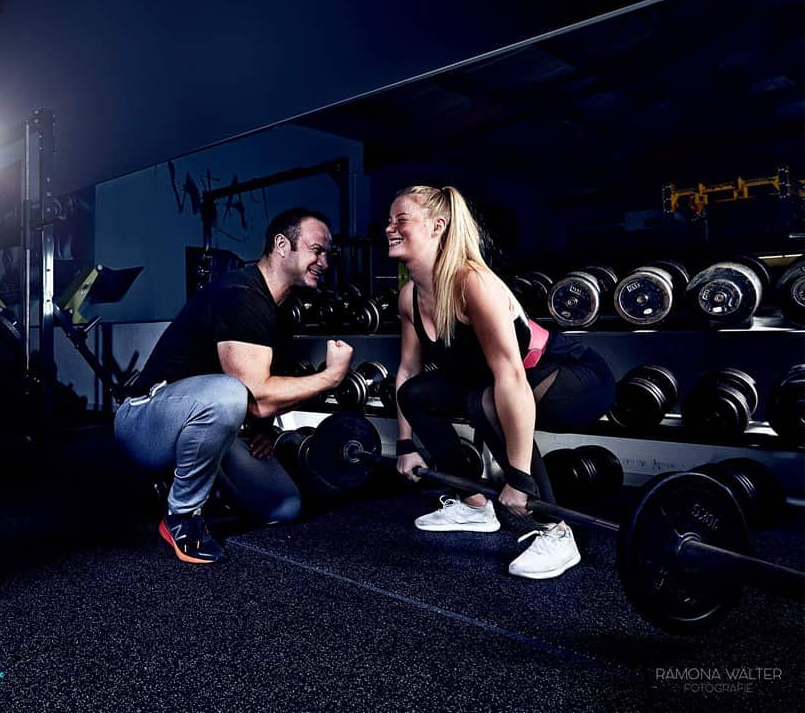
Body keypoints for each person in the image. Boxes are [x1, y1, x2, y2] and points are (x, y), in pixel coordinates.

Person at [386, 185, 615, 579]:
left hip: (573, 375)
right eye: (389, 220)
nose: (389, 228)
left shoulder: (471, 282)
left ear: (437, 226)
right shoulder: (410, 297)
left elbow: (510, 375)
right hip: (503, 383)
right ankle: (474, 505)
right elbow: (408, 371)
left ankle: (556, 531)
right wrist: (405, 446)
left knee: (484, 400)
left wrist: (519, 477)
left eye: (400, 220)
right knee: (415, 394)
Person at [114, 207, 354, 564]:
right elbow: (256, 397)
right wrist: (330, 378)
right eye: (316, 250)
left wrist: (262, 430)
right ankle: (182, 517)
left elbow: (262, 394)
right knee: (230, 395)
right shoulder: (240, 294)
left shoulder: (281, 311)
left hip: (202, 419)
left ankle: (207, 483)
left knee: (284, 506)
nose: (324, 262)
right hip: (144, 420)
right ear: (282, 245)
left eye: (327, 255)